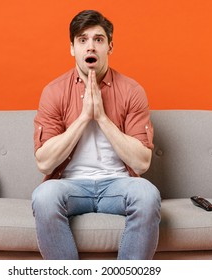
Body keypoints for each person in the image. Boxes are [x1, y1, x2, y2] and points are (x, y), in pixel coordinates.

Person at [32, 9, 161, 260]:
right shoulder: (54, 92)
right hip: (71, 185)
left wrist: (102, 117)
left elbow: (142, 163)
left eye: (98, 39)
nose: (90, 46)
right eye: (82, 40)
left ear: (110, 47)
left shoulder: (132, 91)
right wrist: (83, 118)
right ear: (72, 48)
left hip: (117, 185)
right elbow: (44, 162)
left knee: (147, 194)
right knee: (43, 196)